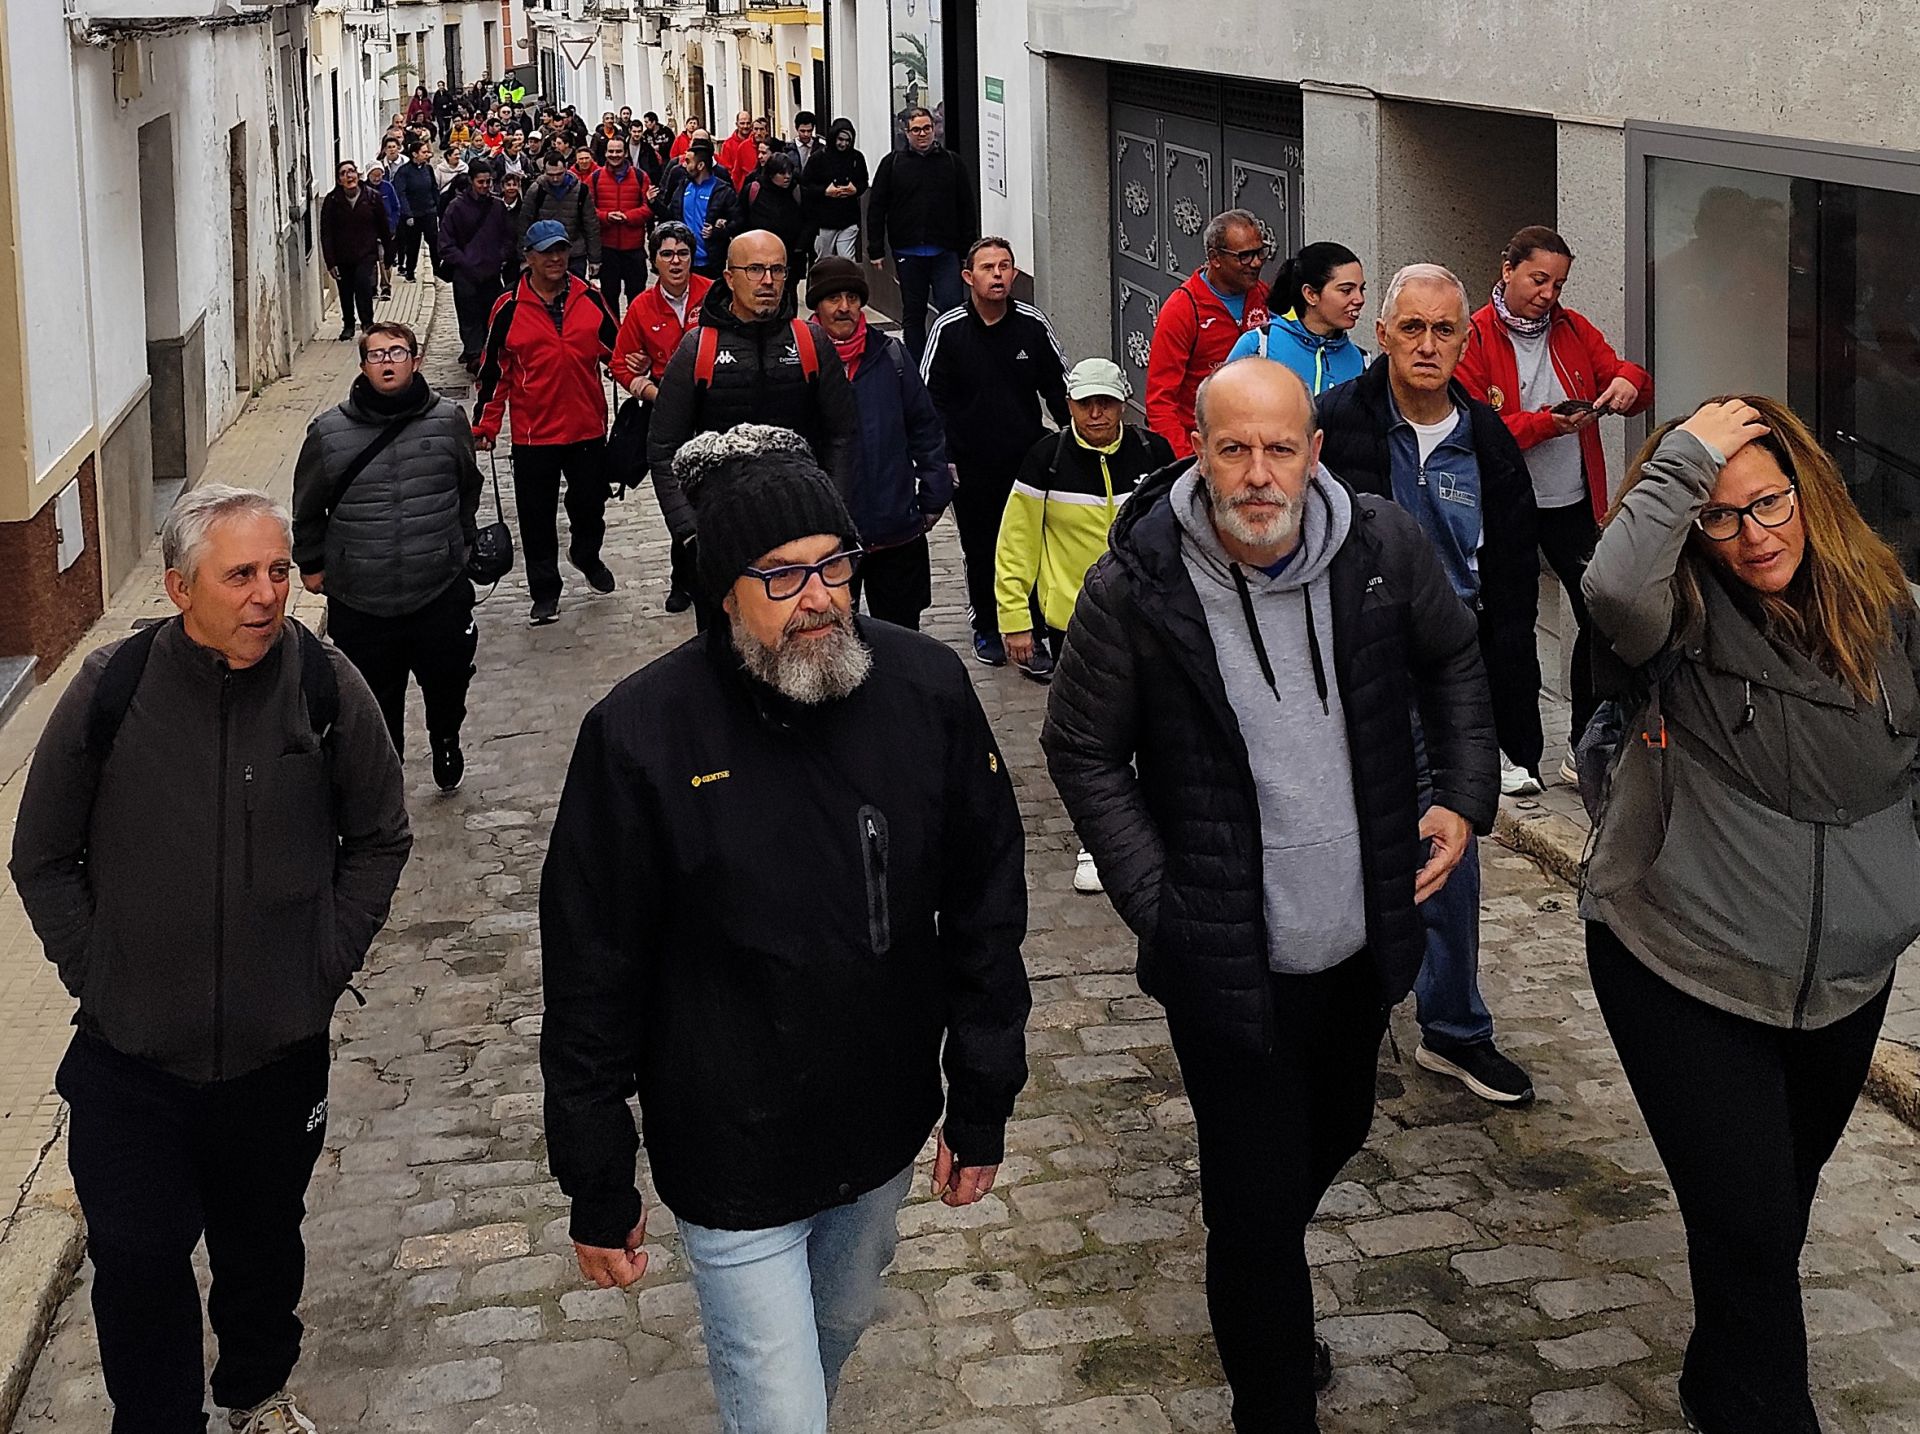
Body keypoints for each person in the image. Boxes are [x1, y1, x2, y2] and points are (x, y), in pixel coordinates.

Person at [542, 424, 1030, 1434]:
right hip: (732, 1155)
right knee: (782, 1413)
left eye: (833, 566)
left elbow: (987, 902)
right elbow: (592, 967)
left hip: (880, 1128)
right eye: (781, 577)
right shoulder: (639, 738)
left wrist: (983, 1091)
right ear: (723, 590)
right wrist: (597, 1168)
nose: (819, 598)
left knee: (837, 1327)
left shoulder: (927, 692)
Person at [1042, 356, 1495, 1434]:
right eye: (1232, 447)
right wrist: (1160, 903)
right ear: (1197, 450)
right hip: (1225, 960)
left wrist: (1464, 794)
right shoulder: (1136, 586)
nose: (1257, 474)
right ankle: (1272, 1387)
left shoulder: (1382, 548)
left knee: (1334, 1129)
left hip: (1358, 938)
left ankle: (1260, 1287)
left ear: (1314, 452)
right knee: (1251, 1211)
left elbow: (1455, 659)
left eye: (1278, 448)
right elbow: (1082, 751)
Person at [9, 484, 411, 1434]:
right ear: (181, 585)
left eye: (278, 570)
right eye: (241, 574)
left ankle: (256, 1393)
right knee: (138, 1258)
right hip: (132, 1064)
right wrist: (96, 971)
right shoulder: (111, 690)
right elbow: (39, 857)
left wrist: (323, 962)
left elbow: (380, 836)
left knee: (264, 1246)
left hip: (275, 1060)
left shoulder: (324, 684)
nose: (268, 593)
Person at [1581, 396, 1920, 1434]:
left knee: (1769, 1213)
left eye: (1769, 503)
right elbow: (1607, 584)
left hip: (1845, 981)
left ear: (1809, 495)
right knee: (1750, 1220)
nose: (1753, 534)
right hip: (1683, 965)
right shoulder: (1675, 619)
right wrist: (1684, 460)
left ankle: (1716, 1382)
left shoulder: (1892, 613)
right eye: (1719, 516)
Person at [1315, 263, 1541, 1107]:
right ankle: (1347, 1017)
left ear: (1464, 339)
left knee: (1452, 849)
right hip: (1351, 671)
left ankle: (1454, 1028)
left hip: (1450, 676)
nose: (1428, 345)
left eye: (1445, 331)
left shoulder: (1487, 443)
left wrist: (1512, 711)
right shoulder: (1334, 427)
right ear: (1382, 334)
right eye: (1412, 328)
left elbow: (1513, 582)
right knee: (1341, 842)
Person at [1457, 225, 1654, 786]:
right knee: (1510, 626)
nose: (1548, 294)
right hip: (1508, 502)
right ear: (1508, 270)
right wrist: (1548, 423)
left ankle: (1586, 744)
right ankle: (1517, 753)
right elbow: (1479, 426)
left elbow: (1631, 375)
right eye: (1538, 279)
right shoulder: (1475, 336)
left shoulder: (1570, 328)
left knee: (1600, 610)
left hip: (1573, 499)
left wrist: (1622, 384)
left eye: (1558, 284)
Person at [999, 356, 1171, 889]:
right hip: (1074, 621)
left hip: (1151, 615)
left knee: (1159, 726)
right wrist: (1013, 617)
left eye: (1107, 401)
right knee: (1094, 735)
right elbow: (1017, 542)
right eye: (1085, 402)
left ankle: (1158, 822)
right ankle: (1097, 841)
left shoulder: (1153, 454)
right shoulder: (1045, 460)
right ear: (1068, 404)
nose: (1096, 413)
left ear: (1124, 402)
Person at [292, 322, 481, 788]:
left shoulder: (448, 420)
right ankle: (385, 773)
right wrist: (312, 564)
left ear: (415, 361)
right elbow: (307, 506)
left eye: (397, 352)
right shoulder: (328, 433)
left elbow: (467, 488)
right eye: (377, 355)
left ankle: (445, 738)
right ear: (363, 367)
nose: (388, 362)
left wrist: (458, 546)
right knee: (374, 699)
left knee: (448, 679)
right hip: (363, 599)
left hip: (437, 589)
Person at [649, 230, 860, 630]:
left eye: (777, 270)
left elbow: (843, 434)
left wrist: (833, 513)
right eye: (756, 269)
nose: (767, 281)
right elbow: (663, 447)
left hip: (804, 534)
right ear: (729, 278)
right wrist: (691, 532)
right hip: (725, 537)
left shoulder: (810, 341)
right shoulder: (698, 349)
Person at [920, 237, 1069, 671]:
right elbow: (932, 402)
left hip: (1027, 461)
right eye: (988, 267)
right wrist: (940, 459)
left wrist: (1072, 438)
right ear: (968, 277)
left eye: (1005, 266)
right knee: (982, 548)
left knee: (1032, 547)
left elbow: (1060, 390)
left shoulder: (1032, 325)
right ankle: (988, 624)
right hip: (970, 465)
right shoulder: (948, 330)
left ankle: (1035, 628)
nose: (998, 274)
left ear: (1015, 274)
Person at [473, 220, 620, 626]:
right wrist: (486, 424)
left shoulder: (590, 298)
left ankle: (586, 554)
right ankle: (545, 592)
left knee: (590, 505)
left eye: (561, 251)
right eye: (546, 252)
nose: (556, 259)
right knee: (536, 517)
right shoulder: (508, 308)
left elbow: (618, 350)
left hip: (587, 425)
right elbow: (493, 372)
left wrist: (645, 379)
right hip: (534, 431)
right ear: (529, 257)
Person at [807, 256, 950, 631]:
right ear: (816, 305)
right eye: (833, 298)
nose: (844, 307)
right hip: (828, 541)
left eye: (852, 297)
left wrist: (935, 491)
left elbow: (924, 427)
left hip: (895, 532)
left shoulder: (891, 356)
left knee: (902, 638)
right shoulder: (800, 361)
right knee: (832, 639)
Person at [612, 222, 714, 615]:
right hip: (667, 419)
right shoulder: (641, 307)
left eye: (683, 253)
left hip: (713, 410)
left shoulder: (713, 293)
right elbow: (621, 364)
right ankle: (682, 580)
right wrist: (651, 390)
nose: (676, 261)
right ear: (654, 261)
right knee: (682, 499)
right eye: (667, 254)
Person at [1145, 208, 1272, 459]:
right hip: (1202, 448)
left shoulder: (1264, 296)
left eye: (1260, 252)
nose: (1256, 263)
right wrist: (1188, 460)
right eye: (1245, 256)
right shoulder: (1182, 310)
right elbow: (1159, 404)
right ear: (1215, 258)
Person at [867, 107, 976, 360]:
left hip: (945, 252)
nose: (923, 134)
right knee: (913, 313)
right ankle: (917, 366)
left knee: (951, 309)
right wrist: (875, 249)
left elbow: (966, 207)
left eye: (927, 128)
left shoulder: (952, 162)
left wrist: (968, 251)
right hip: (908, 252)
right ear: (906, 133)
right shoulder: (891, 164)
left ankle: (950, 361)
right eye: (916, 129)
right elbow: (877, 208)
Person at [1227, 241, 1367, 394]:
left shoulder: (1361, 361)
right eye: (1346, 290)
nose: (1359, 299)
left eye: (1361, 289)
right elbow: (1219, 407)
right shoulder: (1258, 346)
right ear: (1311, 294)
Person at [438, 162, 516, 373]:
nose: (484, 186)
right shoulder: (456, 207)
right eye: (480, 182)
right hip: (465, 274)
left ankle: (490, 352)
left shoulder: (498, 207)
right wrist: (464, 261)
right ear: (471, 181)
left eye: (488, 182)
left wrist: (499, 257)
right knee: (469, 316)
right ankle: (474, 354)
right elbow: (445, 243)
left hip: (490, 273)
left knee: (490, 314)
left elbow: (509, 237)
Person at [319, 159, 391, 343]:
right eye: (343, 173)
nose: (348, 176)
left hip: (366, 253)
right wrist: (330, 261)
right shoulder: (332, 201)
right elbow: (326, 233)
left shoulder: (372, 197)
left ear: (357, 175)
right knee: (345, 290)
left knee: (363, 286)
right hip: (342, 254)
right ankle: (349, 324)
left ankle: (367, 323)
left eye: (351, 171)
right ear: (339, 180)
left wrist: (389, 252)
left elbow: (383, 227)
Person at [656, 137, 738, 279]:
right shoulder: (683, 187)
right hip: (684, 262)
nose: (683, 165)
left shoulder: (723, 191)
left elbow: (738, 222)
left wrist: (718, 231)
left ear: (700, 166)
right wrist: (653, 203)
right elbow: (670, 216)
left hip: (711, 265)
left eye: (688, 162)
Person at [589, 134, 651, 316]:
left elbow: (649, 208)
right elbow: (588, 210)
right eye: (611, 151)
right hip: (607, 248)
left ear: (625, 153)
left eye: (618, 151)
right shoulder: (595, 177)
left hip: (634, 248)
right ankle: (613, 337)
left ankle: (635, 334)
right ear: (605, 153)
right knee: (608, 297)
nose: (614, 155)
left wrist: (628, 217)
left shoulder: (640, 177)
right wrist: (606, 216)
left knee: (637, 296)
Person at [520, 151, 601, 280]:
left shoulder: (581, 190)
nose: (555, 179)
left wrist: (595, 259)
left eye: (559, 174)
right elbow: (524, 224)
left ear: (566, 168)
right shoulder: (536, 191)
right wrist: (524, 258)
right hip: (544, 253)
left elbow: (591, 225)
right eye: (551, 175)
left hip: (575, 253)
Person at [739, 153, 807, 305]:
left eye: (789, 172)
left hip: (790, 257)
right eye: (782, 173)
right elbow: (740, 220)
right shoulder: (754, 191)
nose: (787, 177)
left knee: (788, 295)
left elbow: (808, 221)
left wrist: (800, 247)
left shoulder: (796, 192)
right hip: (759, 256)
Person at [803, 117, 867, 261]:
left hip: (848, 220)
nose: (843, 144)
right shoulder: (818, 158)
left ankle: (846, 283)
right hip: (824, 222)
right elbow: (806, 184)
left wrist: (855, 190)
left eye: (847, 140)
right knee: (824, 261)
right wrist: (825, 191)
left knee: (847, 260)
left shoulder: (857, 158)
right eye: (840, 139)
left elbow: (863, 181)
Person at [392, 140, 442, 282]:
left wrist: (437, 207)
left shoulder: (428, 169)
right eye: (424, 152)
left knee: (433, 241)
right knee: (412, 244)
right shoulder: (404, 172)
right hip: (413, 214)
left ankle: (437, 270)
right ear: (414, 154)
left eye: (427, 152)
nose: (427, 155)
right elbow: (400, 193)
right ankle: (410, 271)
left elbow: (433, 188)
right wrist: (407, 213)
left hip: (429, 211)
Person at [364, 162, 402, 301]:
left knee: (385, 259)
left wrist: (392, 225)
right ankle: (372, 287)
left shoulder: (388, 187)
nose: (377, 178)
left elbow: (395, 207)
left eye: (380, 174)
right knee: (372, 259)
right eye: (374, 175)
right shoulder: (364, 189)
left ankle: (385, 286)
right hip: (369, 231)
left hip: (386, 229)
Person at [718, 108, 758, 188]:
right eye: (742, 123)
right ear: (737, 124)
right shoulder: (728, 145)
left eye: (748, 123)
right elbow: (726, 169)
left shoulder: (757, 142)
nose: (745, 126)